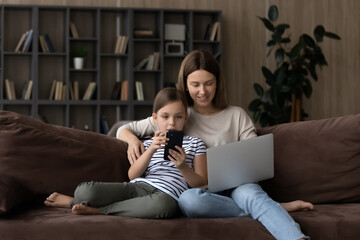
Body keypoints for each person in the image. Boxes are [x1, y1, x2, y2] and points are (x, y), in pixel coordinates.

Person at [117, 50, 314, 239]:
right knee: (188, 200)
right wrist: (133, 140)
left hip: (238, 185)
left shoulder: (236, 115)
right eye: (195, 84)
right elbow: (123, 130)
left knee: (250, 194)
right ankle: (270, 207)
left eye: (209, 83)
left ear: (218, 83)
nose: (202, 91)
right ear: (185, 84)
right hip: (201, 191)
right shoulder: (178, 115)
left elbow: (255, 157)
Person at [44, 88, 207, 219]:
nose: (172, 122)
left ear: (185, 118)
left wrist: (183, 166)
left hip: (168, 196)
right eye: (165, 116)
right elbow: (132, 175)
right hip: (139, 187)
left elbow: (200, 183)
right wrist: (150, 150)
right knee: (84, 191)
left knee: (163, 207)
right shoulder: (148, 143)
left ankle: (98, 211)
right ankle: (78, 200)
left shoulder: (195, 143)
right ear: (155, 118)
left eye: (178, 117)